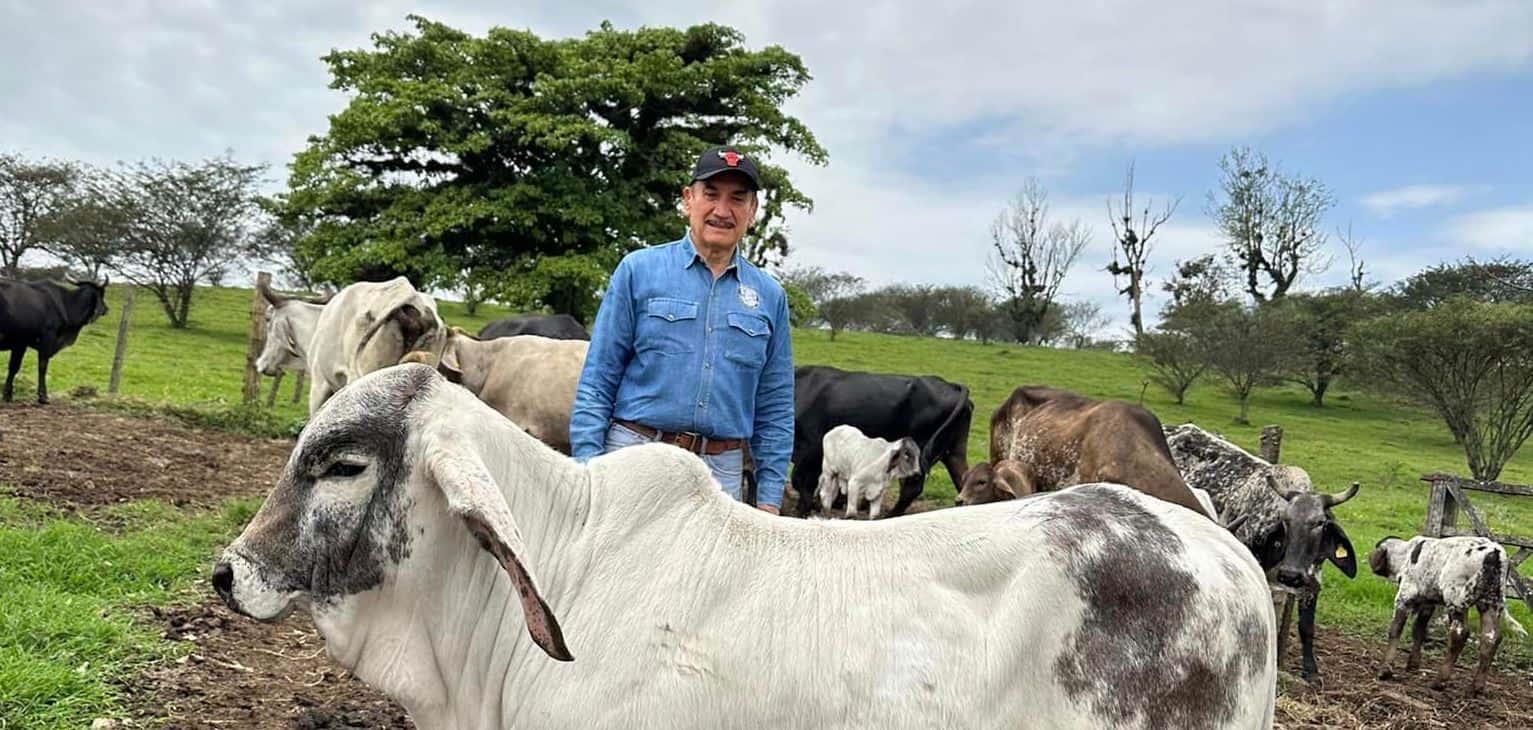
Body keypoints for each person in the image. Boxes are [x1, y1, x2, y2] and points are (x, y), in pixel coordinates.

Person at [569, 144, 794, 514]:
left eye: (738, 199)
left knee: (713, 574)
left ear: (752, 212)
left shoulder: (770, 296)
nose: (722, 211)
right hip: (634, 458)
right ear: (688, 200)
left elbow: (775, 406)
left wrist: (769, 498)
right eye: (711, 195)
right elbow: (598, 379)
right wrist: (586, 471)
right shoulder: (638, 271)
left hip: (719, 474)